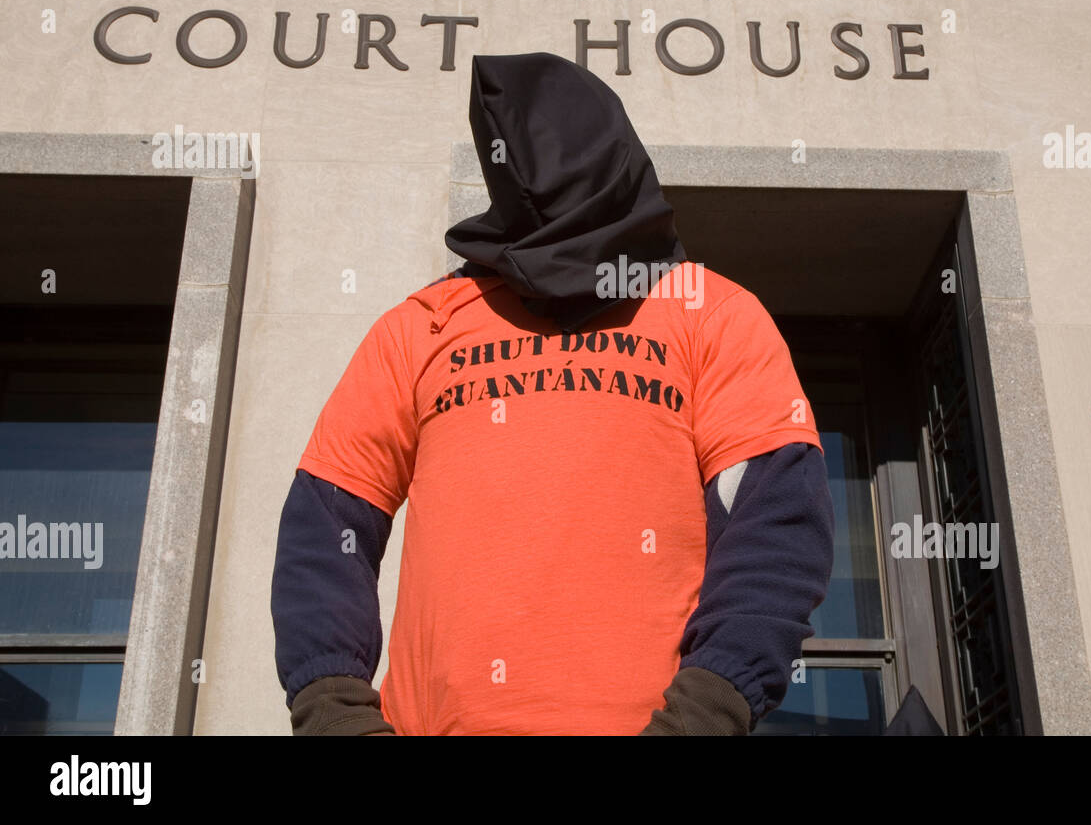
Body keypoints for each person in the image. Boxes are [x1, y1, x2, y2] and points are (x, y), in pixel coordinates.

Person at [270, 51, 834, 735]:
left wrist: (705, 714)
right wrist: (335, 714)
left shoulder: (712, 313)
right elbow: (324, 524)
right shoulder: (421, 327)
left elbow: (778, 524)